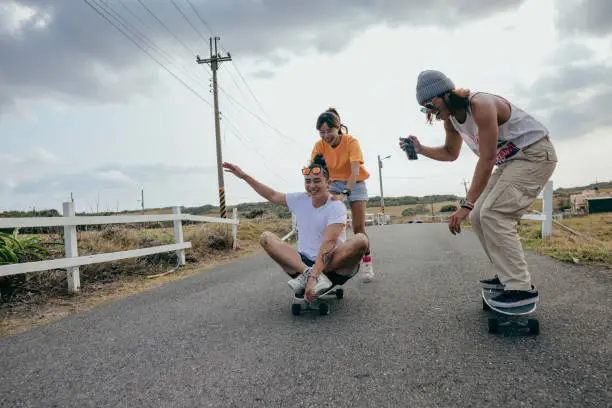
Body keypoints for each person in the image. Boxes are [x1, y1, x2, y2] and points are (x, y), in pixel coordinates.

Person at [400, 70, 557, 308]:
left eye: (430, 105)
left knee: (494, 213)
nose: (430, 112)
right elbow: (450, 154)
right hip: (511, 161)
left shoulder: (481, 104)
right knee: (478, 215)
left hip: (534, 154)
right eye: (424, 109)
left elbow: (487, 158)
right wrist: (421, 149)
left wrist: (466, 203)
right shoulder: (452, 120)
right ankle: (507, 276)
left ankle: (519, 287)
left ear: (447, 94)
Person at [222, 154, 369, 302]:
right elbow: (272, 195)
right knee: (266, 237)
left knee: (361, 240)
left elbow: (329, 243)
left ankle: (315, 276)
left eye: (317, 181)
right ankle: (307, 273)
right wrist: (244, 176)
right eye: (308, 181)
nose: (312, 186)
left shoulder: (336, 206)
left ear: (328, 183)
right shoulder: (299, 199)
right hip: (301, 265)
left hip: (332, 264)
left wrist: (315, 276)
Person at [311, 108, 375, 282]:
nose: (325, 136)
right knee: (327, 223)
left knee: (358, 228)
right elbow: (316, 170)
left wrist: (346, 192)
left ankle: (367, 263)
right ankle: (327, 261)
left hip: (355, 182)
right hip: (333, 182)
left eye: (329, 131)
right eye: (321, 132)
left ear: (338, 127)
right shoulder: (319, 146)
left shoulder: (350, 141)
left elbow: (354, 171)